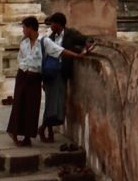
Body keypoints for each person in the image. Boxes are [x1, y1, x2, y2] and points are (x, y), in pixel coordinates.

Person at [6, 15, 89, 147]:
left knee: (32, 107)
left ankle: (27, 137)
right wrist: (25, 69)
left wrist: (77, 56)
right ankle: (14, 132)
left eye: (24, 28)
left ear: (30, 28)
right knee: (19, 105)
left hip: (35, 78)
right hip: (23, 76)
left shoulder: (44, 41)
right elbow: (20, 59)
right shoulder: (24, 43)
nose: (23, 30)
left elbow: (60, 51)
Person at [38, 12, 94, 143]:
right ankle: (47, 129)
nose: (51, 26)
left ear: (59, 24)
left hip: (61, 72)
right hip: (51, 73)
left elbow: (85, 39)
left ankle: (45, 128)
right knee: (51, 103)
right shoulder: (50, 38)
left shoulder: (70, 34)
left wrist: (87, 45)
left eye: (52, 23)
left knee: (57, 104)